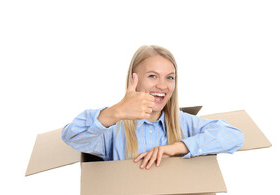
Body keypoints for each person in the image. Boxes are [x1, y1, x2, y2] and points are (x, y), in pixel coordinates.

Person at [62, 45, 244, 170]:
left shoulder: (183, 123)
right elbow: (72, 137)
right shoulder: (113, 130)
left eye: (170, 77)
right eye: (152, 76)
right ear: (134, 79)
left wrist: (176, 148)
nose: (163, 86)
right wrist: (116, 112)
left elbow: (234, 136)